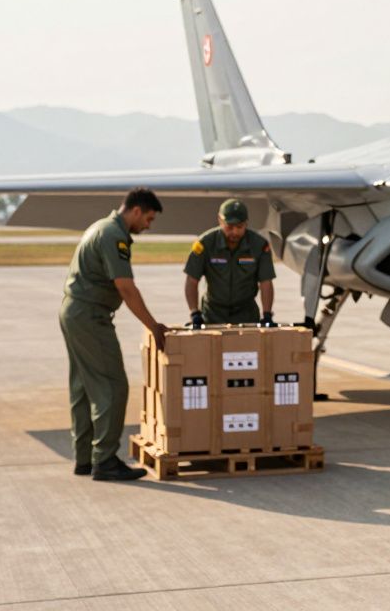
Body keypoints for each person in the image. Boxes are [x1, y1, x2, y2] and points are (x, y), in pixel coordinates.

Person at [60, 187, 168, 481]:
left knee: (83, 387)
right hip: (90, 316)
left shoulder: (100, 227)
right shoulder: (114, 235)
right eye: (148, 218)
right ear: (135, 211)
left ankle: (85, 458)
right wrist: (153, 325)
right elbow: (125, 287)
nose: (148, 225)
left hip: (75, 312)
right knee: (113, 386)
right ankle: (105, 460)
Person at [183, 198, 277, 327]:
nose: (235, 232)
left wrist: (267, 315)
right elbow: (192, 281)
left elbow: (266, 282)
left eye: (239, 227)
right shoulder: (204, 244)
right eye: (229, 227)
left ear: (246, 224)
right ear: (220, 221)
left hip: (246, 315)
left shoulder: (259, 245)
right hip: (213, 315)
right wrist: (195, 313)